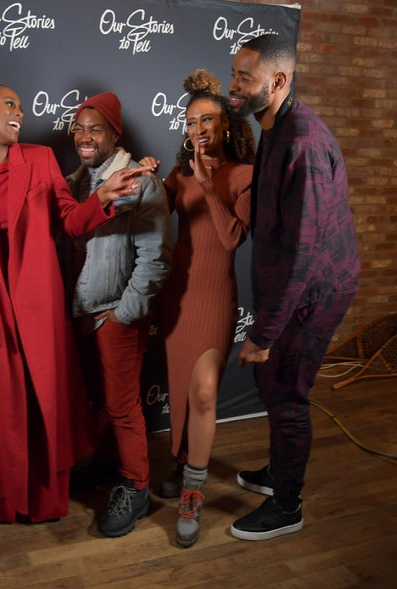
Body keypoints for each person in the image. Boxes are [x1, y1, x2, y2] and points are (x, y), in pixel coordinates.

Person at [0, 84, 152, 534]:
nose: (19, 112)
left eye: (21, 106)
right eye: (9, 104)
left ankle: (42, 497)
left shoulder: (41, 159)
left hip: (38, 302)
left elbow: (70, 221)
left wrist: (102, 197)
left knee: (37, 397)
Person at [228, 33, 360, 541]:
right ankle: (280, 470)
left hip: (317, 290)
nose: (232, 87)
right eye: (234, 73)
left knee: (286, 393)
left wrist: (265, 334)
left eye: (245, 77)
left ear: (278, 81)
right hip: (294, 282)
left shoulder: (302, 141)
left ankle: (287, 506)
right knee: (273, 385)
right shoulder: (273, 123)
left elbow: (303, 253)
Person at [141, 69, 256, 548]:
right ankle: (181, 461)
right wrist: (146, 180)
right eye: (190, 122)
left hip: (215, 298)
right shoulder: (181, 172)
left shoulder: (243, 175)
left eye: (205, 119)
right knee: (184, 390)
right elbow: (155, 209)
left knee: (205, 391)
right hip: (178, 295)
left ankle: (192, 491)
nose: (196, 128)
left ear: (225, 124)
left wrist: (208, 180)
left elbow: (233, 237)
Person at [61, 92, 172, 538]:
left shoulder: (141, 182)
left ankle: (137, 487)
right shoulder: (78, 182)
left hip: (115, 314)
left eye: (96, 130)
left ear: (114, 134)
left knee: (124, 407)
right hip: (83, 312)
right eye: (79, 130)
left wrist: (125, 314)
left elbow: (155, 258)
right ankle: (111, 467)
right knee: (101, 402)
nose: (85, 138)